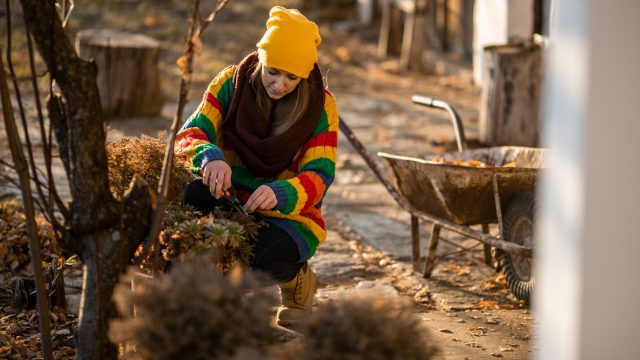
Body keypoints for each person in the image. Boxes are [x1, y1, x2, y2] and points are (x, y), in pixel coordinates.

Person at [176, 6, 338, 326]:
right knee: (190, 198)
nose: (279, 84)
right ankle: (184, 298)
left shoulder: (321, 106)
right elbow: (189, 135)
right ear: (261, 58)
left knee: (253, 260)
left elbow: (320, 174)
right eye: (273, 71)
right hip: (228, 195)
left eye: (292, 77)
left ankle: (297, 282)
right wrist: (210, 156)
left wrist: (281, 192)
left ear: (304, 75)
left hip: (288, 215)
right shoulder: (230, 83)